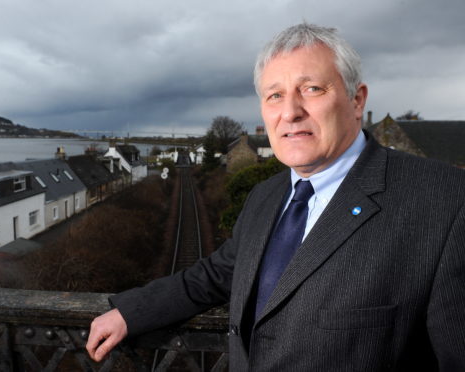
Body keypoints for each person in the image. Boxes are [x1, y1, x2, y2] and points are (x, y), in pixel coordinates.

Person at [87, 23, 465, 371]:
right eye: (275, 95)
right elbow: (219, 274)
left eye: (312, 89)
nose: (290, 112)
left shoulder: (445, 202)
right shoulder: (265, 197)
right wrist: (131, 312)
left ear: (356, 100)